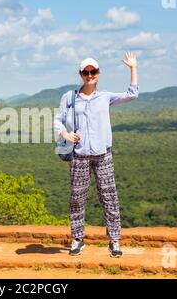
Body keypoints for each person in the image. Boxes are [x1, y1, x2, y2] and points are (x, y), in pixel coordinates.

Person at [54, 51, 139, 258]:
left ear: (99, 74)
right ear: (80, 73)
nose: (90, 75)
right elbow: (57, 120)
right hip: (79, 155)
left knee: (109, 197)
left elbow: (132, 94)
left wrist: (133, 68)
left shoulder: (105, 97)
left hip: (103, 154)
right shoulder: (70, 97)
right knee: (77, 198)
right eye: (86, 72)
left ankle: (115, 240)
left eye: (93, 71)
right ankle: (77, 239)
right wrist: (65, 133)